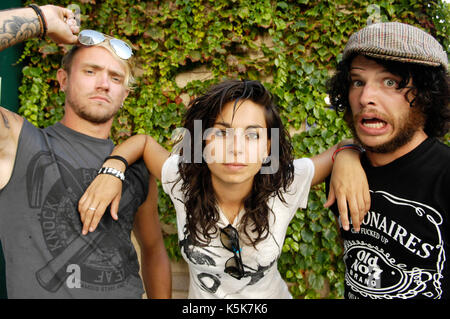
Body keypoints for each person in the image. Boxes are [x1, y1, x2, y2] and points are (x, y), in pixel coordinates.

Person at [79, 79, 370, 298]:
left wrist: (348, 155)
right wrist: (113, 168)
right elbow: (143, 143)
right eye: (220, 132)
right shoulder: (183, 179)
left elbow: (340, 148)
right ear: (202, 142)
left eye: (252, 135)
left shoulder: (286, 182)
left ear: (268, 147)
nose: (236, 148)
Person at [0, 5, 171, 298]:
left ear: (124, 95)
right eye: (91, 71)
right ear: (63, 80)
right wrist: (40, 20)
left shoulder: (137, 166)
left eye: (115, 78)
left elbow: (153, 248)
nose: (104, 84)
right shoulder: (17, 143)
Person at [326, 22, 449, 299]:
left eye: (391, 81)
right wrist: (345, 153)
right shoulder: (345, 177)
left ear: (427, 95)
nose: (365, 97)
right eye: (358, 81)